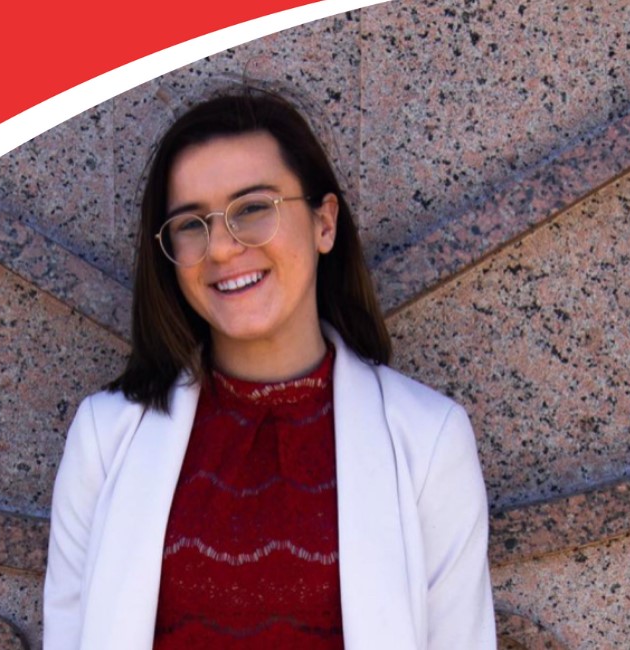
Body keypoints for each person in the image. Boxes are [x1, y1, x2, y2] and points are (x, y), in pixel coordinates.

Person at [43, 89, 495, 649]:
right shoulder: (104, 436)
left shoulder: (430, 440)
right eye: (190, 223)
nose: (223, 248)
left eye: (253, 208)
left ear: (324, 223)